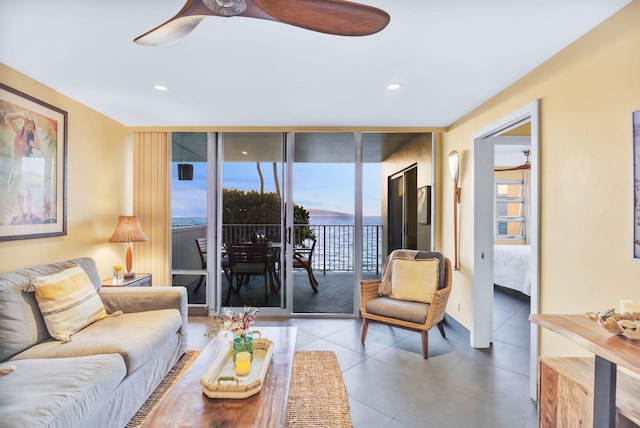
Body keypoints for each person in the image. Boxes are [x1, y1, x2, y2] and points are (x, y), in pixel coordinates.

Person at [5, 113, 43, 224]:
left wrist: (35, 132)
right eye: (28, 124)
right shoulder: (18, 132)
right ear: (24, 124)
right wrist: (21, 116)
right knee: (19, 191)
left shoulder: (29, 140)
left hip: (26, 166)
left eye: (31, 127)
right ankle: (21, 213)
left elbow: (39, 147)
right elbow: (8, 118)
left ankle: (28, 214)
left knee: (27, 191)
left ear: (32, 130)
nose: (28, 127)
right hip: (16, 165)